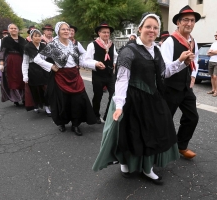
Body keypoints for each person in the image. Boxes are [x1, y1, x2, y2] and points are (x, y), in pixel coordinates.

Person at [92, 13, 179, 185]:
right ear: (140, 29)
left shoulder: (157, 50)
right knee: (129, 134)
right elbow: (122, 79)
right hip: (131, 99)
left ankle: (147, 169)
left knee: (152, 133)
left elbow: (164, 72)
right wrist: (119, 105)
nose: (152, 30)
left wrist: (181, 62)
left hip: (151, 97)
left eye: (155, 27)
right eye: (148, 26)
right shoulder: (128, 51)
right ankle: (124, 163)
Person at [34, 22, 104, 136]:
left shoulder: (75, 45)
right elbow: (37, 59)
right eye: (63, 29)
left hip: (75, 75)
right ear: (58, 31)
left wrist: (95, 64)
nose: (67, 31)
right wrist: (51, 66)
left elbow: (82, 61)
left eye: (68, 29)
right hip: (61, 76)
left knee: (78, 101)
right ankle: (62, 122)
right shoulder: (52, 45)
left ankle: (75, 124)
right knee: (63, 102)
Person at [161, 5, 200, 159]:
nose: (189, 23)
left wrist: (193, 76)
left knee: (192, 117)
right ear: (178, 22)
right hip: (170, 88)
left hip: (185, 87)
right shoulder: (169, 42)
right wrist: (181, 62)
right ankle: (160, 150)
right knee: (165, 120)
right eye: (185, 20)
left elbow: (195, 59)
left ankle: (181, 146)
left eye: (192, 20)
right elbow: (164, 70)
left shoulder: (193, 42)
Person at [84, 22, 118, 124]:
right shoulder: (92, 45)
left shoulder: (112, 45)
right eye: (104, 32)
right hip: (98, 75)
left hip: (110, 75)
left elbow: (115, 57)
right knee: (98, 96)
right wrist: (96, 63)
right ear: (99, 33)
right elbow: (86, 60)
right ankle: (96, 115)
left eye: (108, 32)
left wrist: (115, 63)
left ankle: (107, 115)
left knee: (114, 95)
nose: (106, 34)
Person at [22, 29, 51, 116]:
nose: (38, 38)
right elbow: (25, 62)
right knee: (35, 90)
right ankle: (36, 105)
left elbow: (47, 58)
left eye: (39, 36)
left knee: (46, 89)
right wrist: (25, 75)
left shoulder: (43, 46)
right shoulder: (27, 47)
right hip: (33, 70)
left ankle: (47, 106)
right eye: (35, 36)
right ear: (31, 37)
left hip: (43, 70)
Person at [0, 23, 27, 106]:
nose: (13, 30)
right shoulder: (6, 40)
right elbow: (3, 51)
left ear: (18, 30)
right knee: (13, 79)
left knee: (22, 78)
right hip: (10, 60)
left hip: (21, 60)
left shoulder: (22, 40)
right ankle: (15, 98)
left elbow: (27, 51)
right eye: (11, 28)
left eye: (15, 28)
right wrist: (1, 63)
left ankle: (24, 98)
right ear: (8, 30)